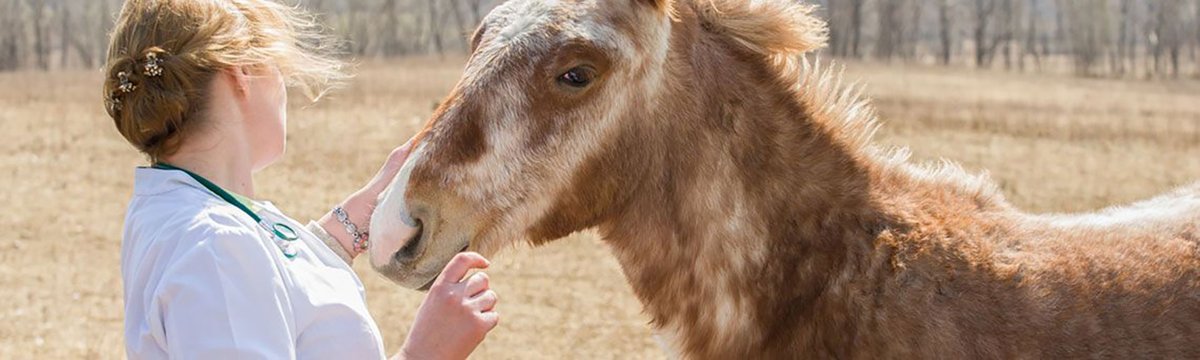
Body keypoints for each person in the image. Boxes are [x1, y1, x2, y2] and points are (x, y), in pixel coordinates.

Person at [103, 0, 499, 358]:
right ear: (241, 73)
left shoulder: (181, 209)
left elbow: (283, 298)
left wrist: (348, 225)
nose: (284, 86)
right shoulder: (216, 247)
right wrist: (424, 353)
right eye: (276, 65)